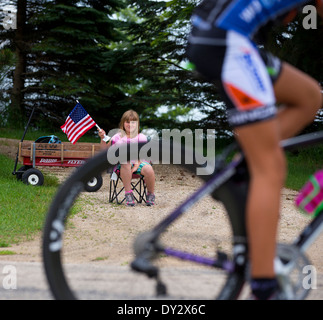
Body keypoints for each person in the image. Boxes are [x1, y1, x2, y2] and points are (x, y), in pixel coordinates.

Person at [186, 0, 323, 300]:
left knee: (309, 97)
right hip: (226, 39)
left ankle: (245, 164)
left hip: (227, 36)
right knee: (271, 167)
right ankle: (264, 286)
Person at [99, 110, 156, 207]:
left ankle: (150, 194)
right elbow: (105, 151)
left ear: (137, 124)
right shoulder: (117, 137)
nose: (130, 124)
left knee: (148, 168)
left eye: (133, 122)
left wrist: (136, 165)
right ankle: (128, 193)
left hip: (138, 163)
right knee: (125, 161)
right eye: (127, 122)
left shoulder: (140, 137)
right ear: (123, 123)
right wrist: (102, 138)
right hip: (121, 166)